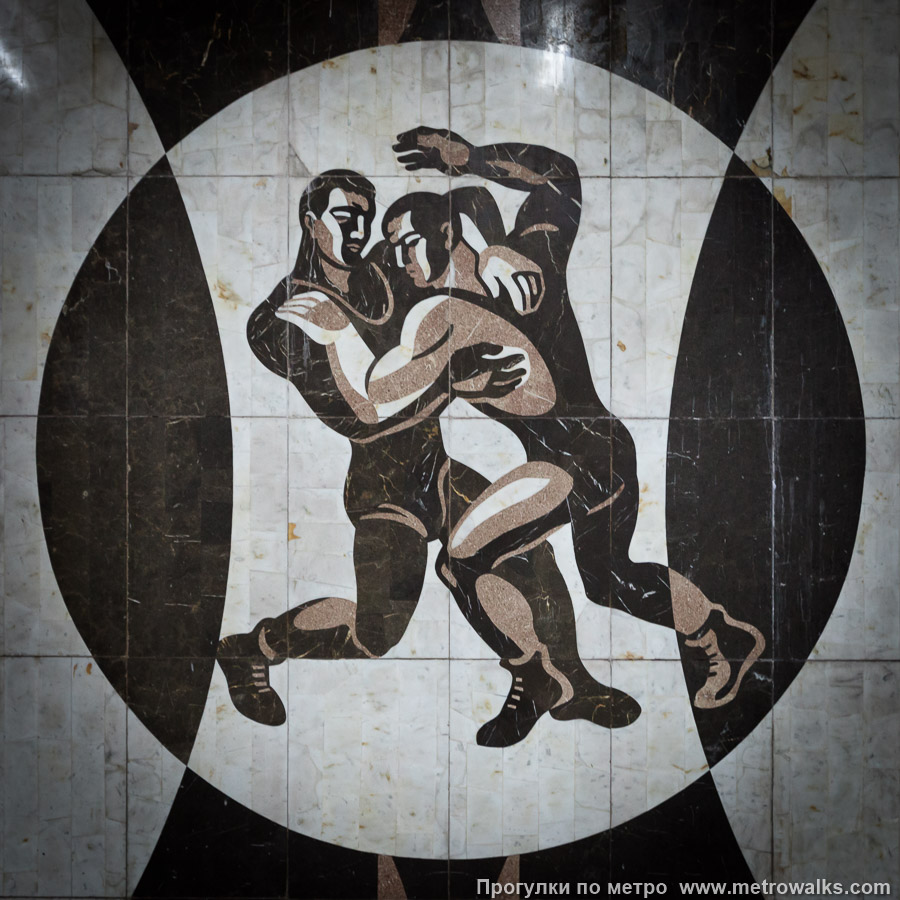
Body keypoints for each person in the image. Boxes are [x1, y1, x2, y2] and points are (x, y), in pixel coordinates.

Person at [315, 129, 767, 717]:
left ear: (446, 235)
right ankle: (719, 633)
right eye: (394, 250)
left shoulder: (458, 305)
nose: (399, 261)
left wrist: (472, 159)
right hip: (606, 450)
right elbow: (537, 188)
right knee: (610, 583)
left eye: (407, 245)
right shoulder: (503, 265)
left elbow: (376, 394)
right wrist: (476, 192)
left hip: (572, 462)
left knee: (461, 561)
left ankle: (540, 677)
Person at [218, 170, 640, 746]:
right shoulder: (282, 317)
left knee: (522, 550)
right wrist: (453, 377)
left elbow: (447, 218)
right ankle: (252, 648)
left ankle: (559, 685)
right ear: (311, 223)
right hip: (384, 483)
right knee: (376, 634)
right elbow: (360, 415)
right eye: (344, 218)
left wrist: (488, 251)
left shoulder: (382, 271)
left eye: (364, 218)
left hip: (432, 465)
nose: (359, 231)